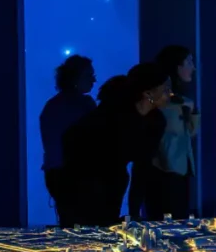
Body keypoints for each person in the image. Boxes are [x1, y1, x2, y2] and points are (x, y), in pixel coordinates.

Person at [62, 63, 171, 226]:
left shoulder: (156, 121)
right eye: (165, 89)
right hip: (84, 174)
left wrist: (134, 213)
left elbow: (142, 166)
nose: (170, 93)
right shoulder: (114, 114)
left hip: (113, 177)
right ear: (148, 93)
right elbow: (77, 142)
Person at [129, 45, 199, 220]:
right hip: (162, 172)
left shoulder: (183, 103)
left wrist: (193, 112)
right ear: (177, 66)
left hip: (179, 171)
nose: (193, 67)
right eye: (189, 62)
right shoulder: (159, 108)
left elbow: (187, 133)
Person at [38, 55, 96, 226]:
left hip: (58, 173)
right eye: (89, 75)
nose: (94, 80)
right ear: (75, 78)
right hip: (76, 175)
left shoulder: (53, 105)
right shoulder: (83, 105)